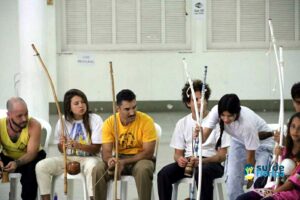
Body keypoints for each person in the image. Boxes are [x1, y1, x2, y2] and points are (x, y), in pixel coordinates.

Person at [157, 80, 231, 200]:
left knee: (202, 172)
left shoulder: (218, 122)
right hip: (189, 162)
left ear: (206, 100)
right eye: (194, 100)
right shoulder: (182, 123)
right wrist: (180, 160)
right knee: (163, 174)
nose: (199, 103)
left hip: (211, 163)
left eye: (201, 99)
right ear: (188, 103)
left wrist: (203, 161)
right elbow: (177, 154)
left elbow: (222, 156)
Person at [35, 89, 106, 200]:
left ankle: (93, 198)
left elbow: (97, 149)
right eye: (76, 103)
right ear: (69, 107)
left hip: (90, 158)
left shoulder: (95, 119)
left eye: (83, 102)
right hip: (68, 159)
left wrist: (78, 146)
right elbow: (61, 149)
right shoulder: (63, 121)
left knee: (93, 167)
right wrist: (62, 144)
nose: (81, 105)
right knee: (41, 166)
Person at [201, 94, 275, 200]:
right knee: (232, 182)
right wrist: (198, 134)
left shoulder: (247, 124)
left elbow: (250, 157)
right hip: (239, 141)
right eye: (223, 115)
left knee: (259, 183)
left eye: (230, 116)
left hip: (263, 145)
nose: (225, 120)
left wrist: (249, 177)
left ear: (237, 112)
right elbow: (203, 138)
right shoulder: (216, 111)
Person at [101, 89, 157, 200]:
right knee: (98, 169)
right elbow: (106, 153)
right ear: (118, 109)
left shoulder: (146, 121)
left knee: (143, 169)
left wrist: (124, 162)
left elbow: (148, 153)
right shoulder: (109, 123)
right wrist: (110, 160)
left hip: (140, 158)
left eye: (134, 107)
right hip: (118, 158)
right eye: (127, 109)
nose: (132, 112)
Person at [236, 112, 300, 200]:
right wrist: (277, 156)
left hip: (291, 192)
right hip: (276, 186)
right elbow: (278, 171)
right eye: (293, 126)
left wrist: (273, 192)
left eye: (299, 128)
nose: (295, 131)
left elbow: (290, 183)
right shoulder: (285, 149)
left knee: (260, 179)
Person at [0, 97, 46, 200]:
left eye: (26, 114)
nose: (24, 119)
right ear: (9, 115)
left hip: (31, 157)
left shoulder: (34, 125)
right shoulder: (0, 125)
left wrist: (16, 163)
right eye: (19, 116)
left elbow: (31, 153)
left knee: (31, 174)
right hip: (8, 156)